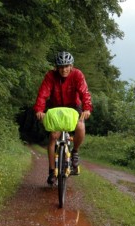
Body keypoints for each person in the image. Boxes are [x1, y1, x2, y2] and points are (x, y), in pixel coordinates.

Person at [34, 51, 92, 185]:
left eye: (66, 66)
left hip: (73, 107)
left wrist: (87, 108)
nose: (64, 69)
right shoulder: (50, 76)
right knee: (53, 136)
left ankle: (75, 152)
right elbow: (43, 94)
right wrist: (39, 110)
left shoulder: (77, 74)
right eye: (61, 67)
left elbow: (84, 92)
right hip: (56, 108)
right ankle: (51, 171)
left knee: (80, 125)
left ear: (71, 66)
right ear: (56, 67)